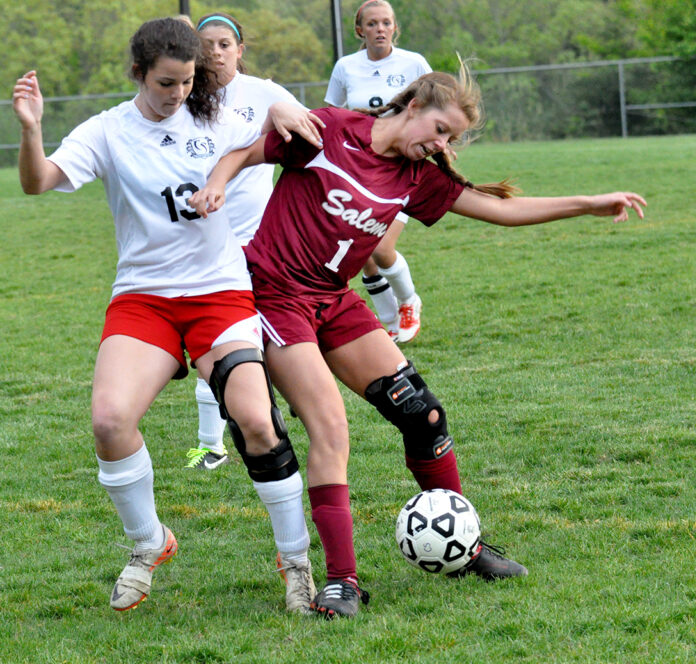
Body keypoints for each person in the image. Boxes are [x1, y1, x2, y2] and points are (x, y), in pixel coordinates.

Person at [189, 64, 646, 619]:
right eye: (439, 129)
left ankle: (464, 546)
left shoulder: (416, 175)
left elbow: (498, 210)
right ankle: (342, 581)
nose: (441, 144)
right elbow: (244, 152)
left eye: (450, 138)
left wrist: (588, 203)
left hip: (334, 296)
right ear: (412, 107)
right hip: (276, 296)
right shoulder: (331, 130)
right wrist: (216, 183)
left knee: (423, 414)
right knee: (330, 426)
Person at [11, 17, 323, 615]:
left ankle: (296, 562)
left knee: (257, 423)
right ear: (138, 73)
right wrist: (32, 131)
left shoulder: (217, 117)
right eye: (164, 84)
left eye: (185, 83)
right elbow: (38, 181)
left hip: (220, 295)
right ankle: (148, 543)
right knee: (109, 421)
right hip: (144, 299)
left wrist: (282, 112)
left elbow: (287, 136)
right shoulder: (106, 131)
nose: (177, 94)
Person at [184, 12, 308, 483]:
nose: (214, 51)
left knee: (256, 339)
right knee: (208, 350)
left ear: (240, 49)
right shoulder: (181, 95)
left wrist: (282, 113)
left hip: (258, 245)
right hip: (198, 244)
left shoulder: (265, 93)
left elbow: (313, 133)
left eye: (223, 43)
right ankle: (212, 445)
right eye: (205, 44)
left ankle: (273, 406)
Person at [325, 0, 431, 344]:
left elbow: (439, 105)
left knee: (381, 248)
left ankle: (408, 301)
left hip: (401, 168)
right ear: (360, 31)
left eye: (386, 22)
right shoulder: (346, 67)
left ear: (395, 28)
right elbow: (333, 113)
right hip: (357, 167)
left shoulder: (413, 63)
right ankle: (387, 320)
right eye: (372, 24)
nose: (380, 29)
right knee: (359, 249)